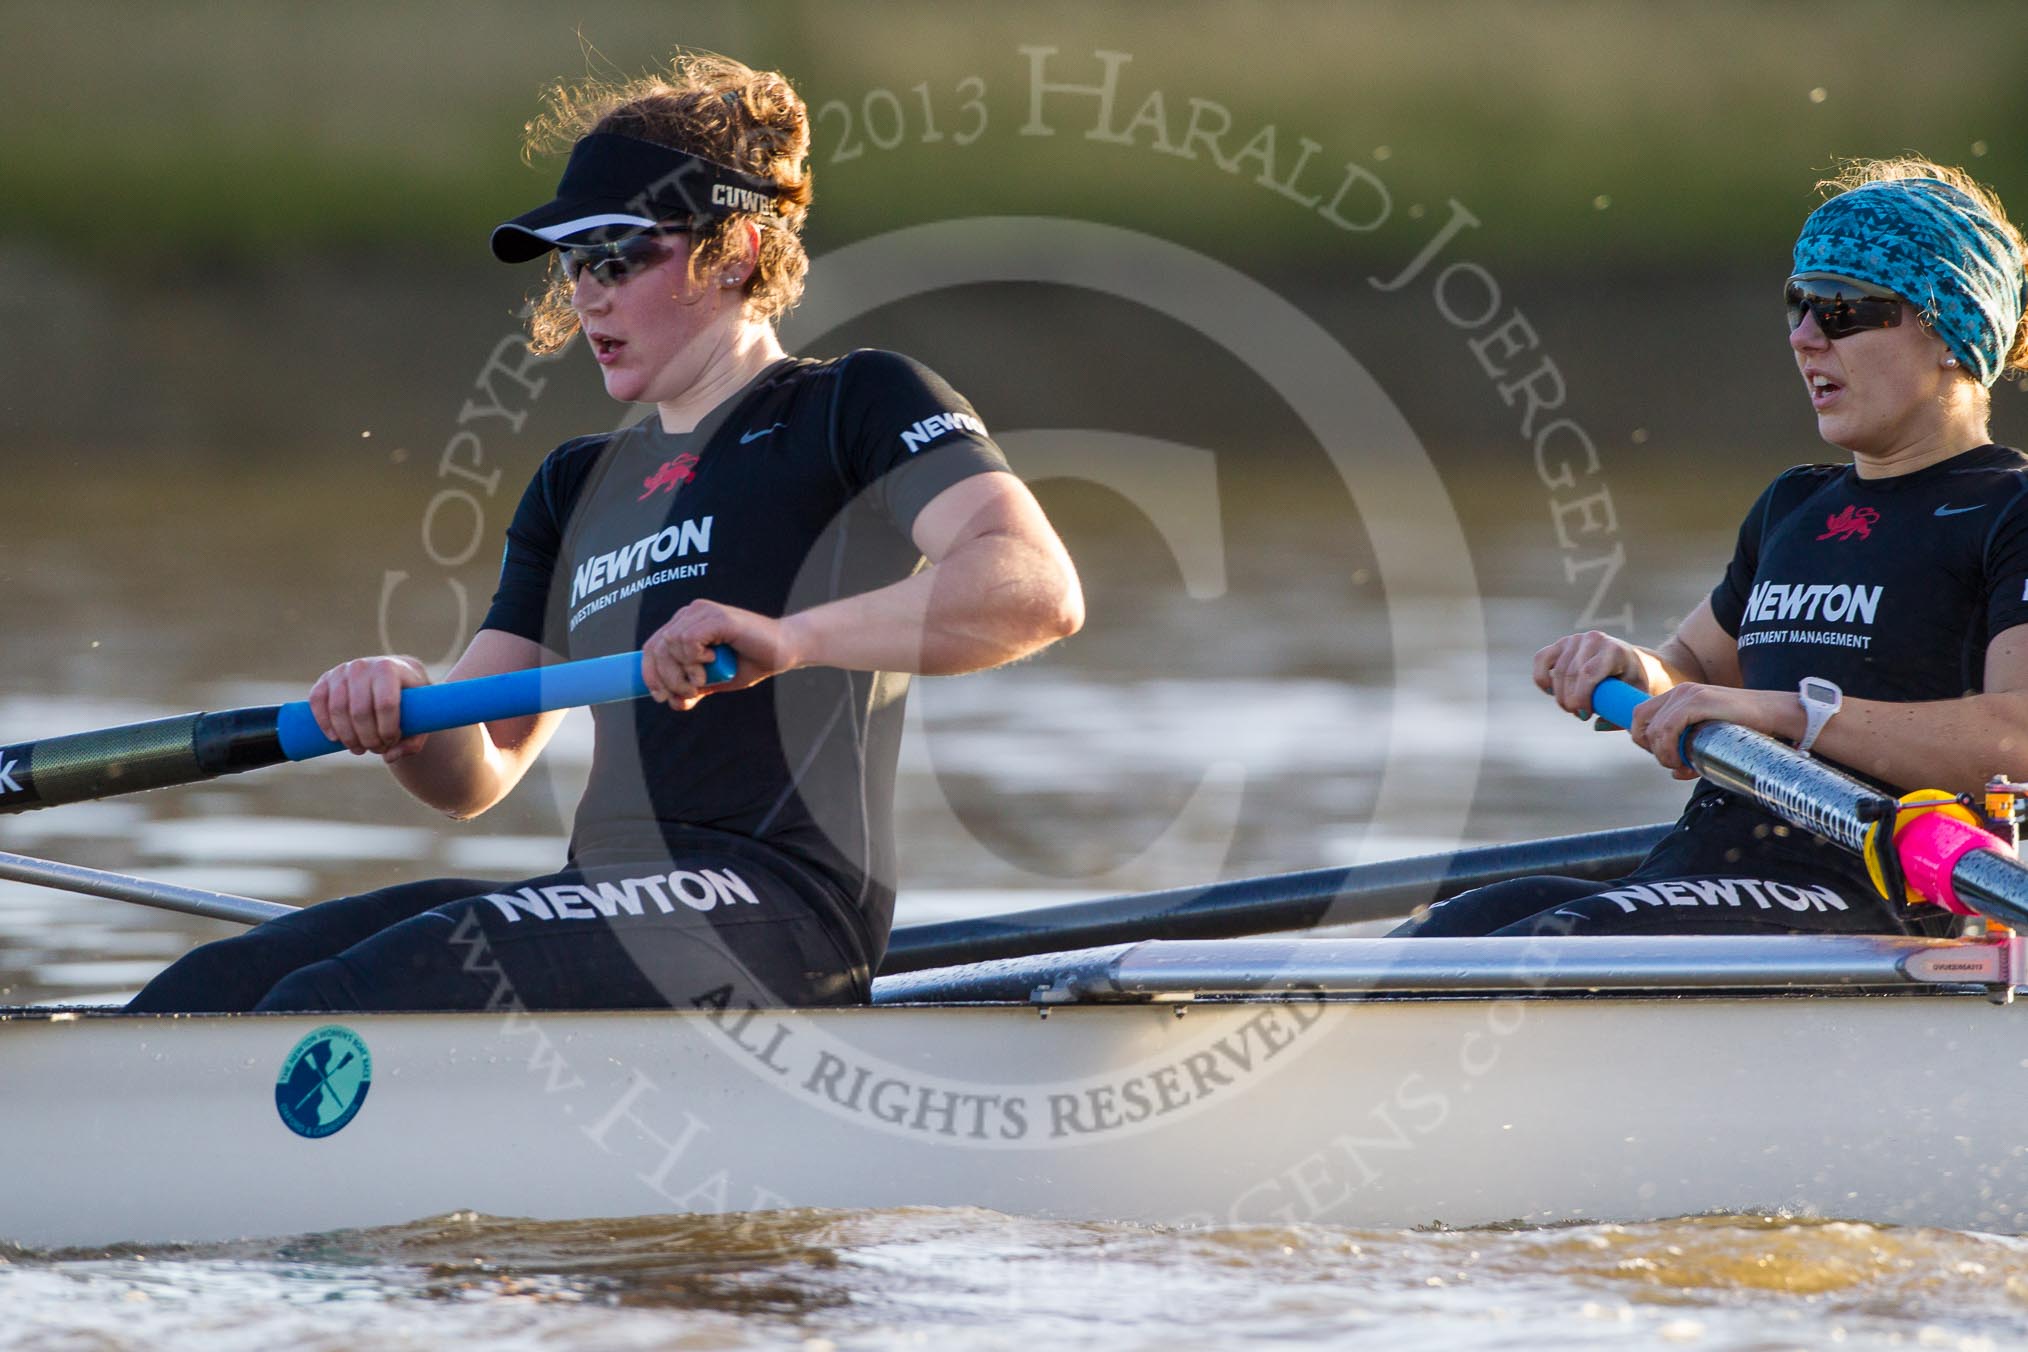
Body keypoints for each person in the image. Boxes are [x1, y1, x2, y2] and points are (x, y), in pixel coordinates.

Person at [130, 53, 1083, 1012]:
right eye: (575, 262)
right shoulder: (577, 483)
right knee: (210, 988)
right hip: (607, 899)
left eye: (619, 256)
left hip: (782, 908)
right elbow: (481, 765)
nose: (586, 294)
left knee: (370, 984)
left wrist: (791, 640)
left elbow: (1036, 587)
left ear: (738, 251)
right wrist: (404, 707)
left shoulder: (853, 405)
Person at [1396, 158, 2028, 939]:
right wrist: (1629, 668)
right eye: (1797, 304)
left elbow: (2018, 739)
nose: (1802, 338)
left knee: (1543, 944)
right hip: (1702, 869)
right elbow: (1689, 674)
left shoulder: (2011, 510)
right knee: (1450, 927)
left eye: (1841, 310)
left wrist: (1781, 714)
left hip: (1881, 899)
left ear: (1948, 332)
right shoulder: (1795, 505)